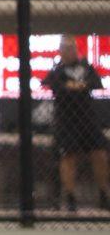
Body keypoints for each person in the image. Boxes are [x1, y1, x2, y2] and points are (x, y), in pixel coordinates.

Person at [42, 35, 110, 211]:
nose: (69, 51)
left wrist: (77, 86)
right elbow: (55, 86)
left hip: (88, 119)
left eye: (72, 48)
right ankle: (70, 197)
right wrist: (76, 86)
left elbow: (95, 83)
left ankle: (103, 193)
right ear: (61, 51)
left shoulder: (86, 67)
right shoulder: (57, 70)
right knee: (68, 157)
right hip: (66, 121)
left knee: (100, 153)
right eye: (65, 48)